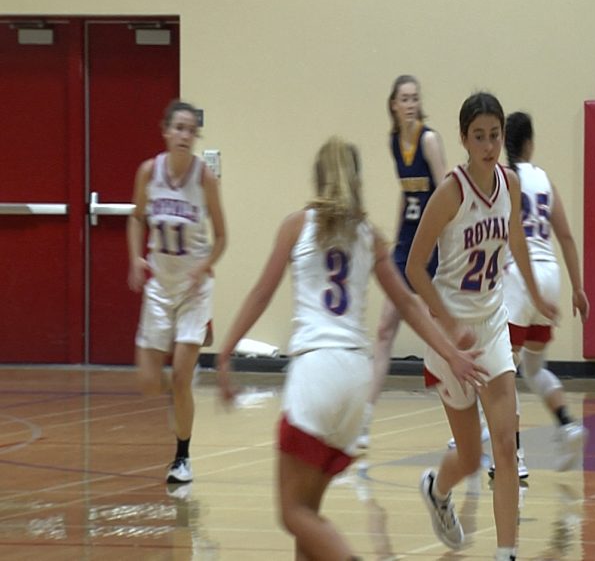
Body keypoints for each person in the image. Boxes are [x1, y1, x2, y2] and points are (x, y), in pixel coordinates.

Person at [215, 137, 487, 560]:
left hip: (316, 373)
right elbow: (408, 305)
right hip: (356, 380)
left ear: (318, 176)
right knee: (309, 514)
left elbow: (261, 294)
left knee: (291, 513)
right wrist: (450, 351)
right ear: (357, 179)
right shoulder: (370, 236)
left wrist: (225, 351)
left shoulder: (296, 226)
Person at [406, 92, 558, 561]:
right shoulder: (450, 193)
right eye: (479, 137)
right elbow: (414, 268)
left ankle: (506, 553)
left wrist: (536, 294)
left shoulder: (510, 183)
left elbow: (517, 241)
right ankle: (437, 490)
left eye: (495, 135)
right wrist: (449, 325)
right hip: (452, 336)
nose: (489, 146)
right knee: (471, 458)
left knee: (507, 448)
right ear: (464, 139)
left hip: (492, 325)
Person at [127, 99, 227, 485]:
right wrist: (136, 259)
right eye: (179, 128)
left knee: (182, 377)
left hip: (193, 289)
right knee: (149, 381)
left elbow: (222, 237)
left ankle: (182, 458)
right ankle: (180, 383)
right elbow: (137, 218)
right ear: (166, 131)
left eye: (191, 130)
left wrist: (205, 264)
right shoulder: (148, 172)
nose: (185, 135)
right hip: (159, 286)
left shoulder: (205, 179)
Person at [496, 111, 589, 476]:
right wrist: (578, 288)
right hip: (549, 273)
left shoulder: (502, 179)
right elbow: (565, 235)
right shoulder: (543, 178)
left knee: (504, 371)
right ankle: (567, 424)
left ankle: (514, 457)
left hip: (520, 277)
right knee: (534, 369)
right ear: (530, 143)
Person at [357, 75, 448, 450]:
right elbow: (405, 194)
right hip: (405, 246)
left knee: (439, 336)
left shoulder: (429, 140)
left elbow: (447, 194)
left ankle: (471, 418)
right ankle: (364, 420)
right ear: (393, 104)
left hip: (431, 248)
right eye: (404, 98)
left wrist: (447, 249)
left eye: (414, 98)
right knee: (384, 330)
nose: (410, 104)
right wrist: (395, 240)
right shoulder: (395, 142)